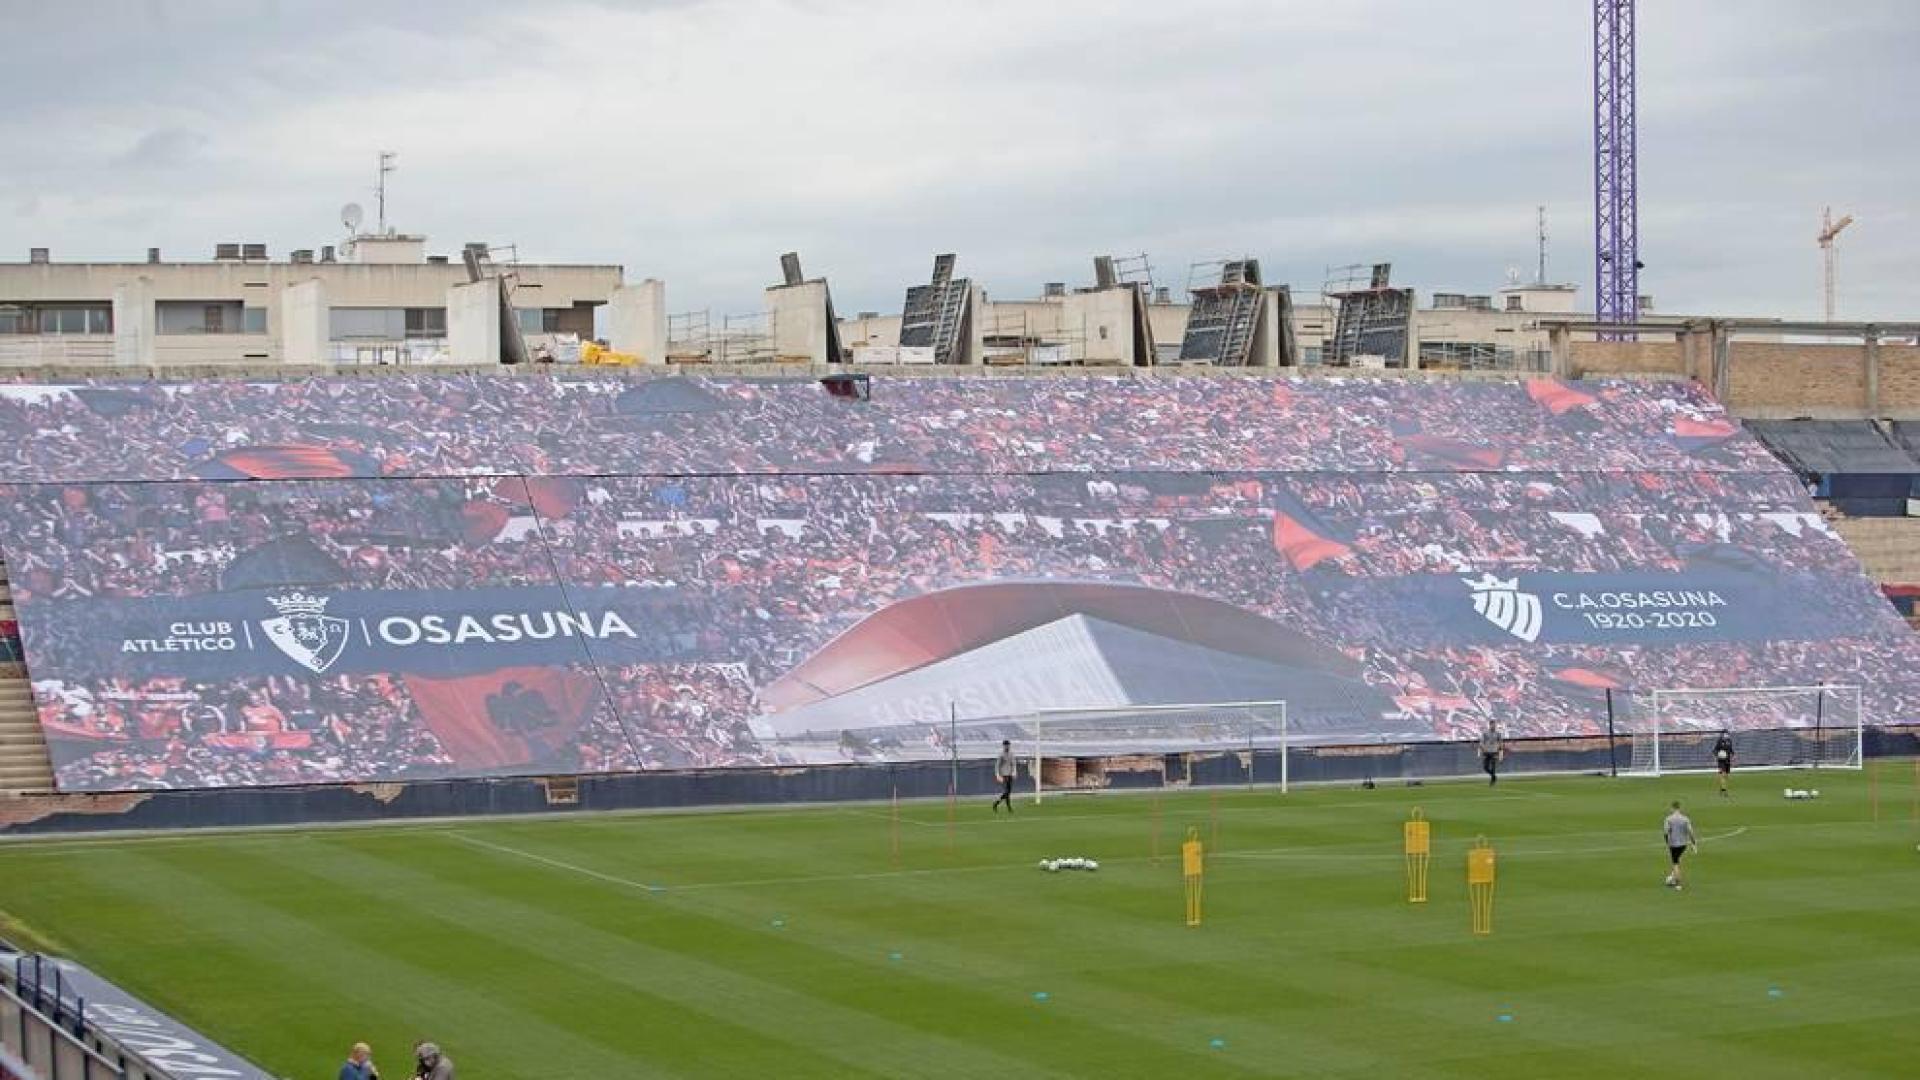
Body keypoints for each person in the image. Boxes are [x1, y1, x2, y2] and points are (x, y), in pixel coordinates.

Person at [1663, 800, 1697, 890]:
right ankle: (1673, 877)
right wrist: (1693, 843)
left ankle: (1678, 884)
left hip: (1673, 844)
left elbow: (1666, 832)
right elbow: (1690, 832)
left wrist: (1667, 842)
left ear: (1672, 808)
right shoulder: (1685, 819)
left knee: (1675, 863)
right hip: (1683, 844)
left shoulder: (1668, 819)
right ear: (1679, 808)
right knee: (1678, 860)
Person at [992, 739, 1016, 814]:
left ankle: (997, 803)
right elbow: (997, 765)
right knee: (1006, 791)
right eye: (1006, 745)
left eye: (1008, 745)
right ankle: (1007, 807)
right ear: (1003, 746)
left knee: (1008, 792)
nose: (1007, 746)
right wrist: (998, 775)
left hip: (1010, 775)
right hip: (1004, 775)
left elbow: (1013, 764)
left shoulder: (1011, 754)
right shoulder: (1001, 755)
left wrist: (1014, 772)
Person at [1479, 720, 1503, 786]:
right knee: (1485, 767)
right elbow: (1481, 742)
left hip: (1494, 751)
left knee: (1493, 766)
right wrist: (1483, 749)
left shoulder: (1498, 733)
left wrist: (1500, 751)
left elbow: (1500, 742)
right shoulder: (1485, 733)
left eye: (1495, 725)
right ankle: (1494, 776)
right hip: (1487, 752)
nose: (1494, 726)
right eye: (1493, 725)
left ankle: (1492, 781)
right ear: (1490, 725)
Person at [1713, 730, 1734, 796]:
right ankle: (1724, 790)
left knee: (1726, 776)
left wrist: (1733, 755)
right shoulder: (1719, 741)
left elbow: (1731, 750)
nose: (1726, 735)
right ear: (1722, 734)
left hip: (1727, 760)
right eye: (1725, 733)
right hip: (1721, 760)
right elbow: (1715, 750)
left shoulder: (1729, 741)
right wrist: (1717, 755)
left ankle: (1722, 788)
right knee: (1722, 774)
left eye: (1727, 733)